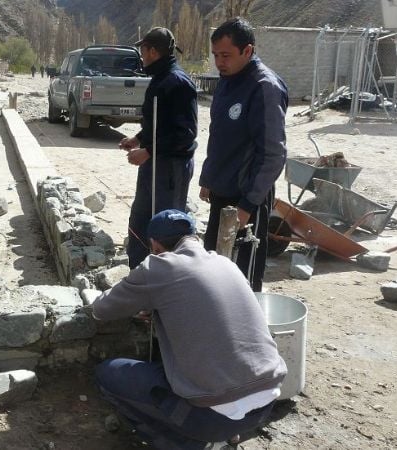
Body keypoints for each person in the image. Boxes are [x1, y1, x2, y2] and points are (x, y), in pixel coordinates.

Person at [91, 209, 287, 449]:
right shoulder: (225, 263)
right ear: (194, 238)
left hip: (213, 415)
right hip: (267, 399)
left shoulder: (158, 266)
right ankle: (229, 435)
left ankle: (187, 443)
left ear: (155, 246)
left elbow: (101, 309)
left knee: (107, 373)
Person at [198, 18, 288, 292]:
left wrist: (247, 205)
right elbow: (219, 135)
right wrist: (208, 178)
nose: (219, 62)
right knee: (215, 263)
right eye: (215, 55)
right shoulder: (226, 82)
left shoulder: (264, 87)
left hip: (247, 198)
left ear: (247, 51)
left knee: (242, 275)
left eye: (226, 55)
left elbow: (273, 154)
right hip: (221, 192)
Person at [119, 27, 198, 268]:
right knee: (141, 219)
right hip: (154, 164)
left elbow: (185, 134)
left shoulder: (178, 83)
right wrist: (138, 139)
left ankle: (166, 275)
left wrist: (148, 151)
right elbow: (159, 125)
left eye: (143, 51)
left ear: (153, 51)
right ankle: (140, 272)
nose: (142, 57)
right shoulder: (160, 79)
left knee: (166, 226)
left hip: (171, 168)